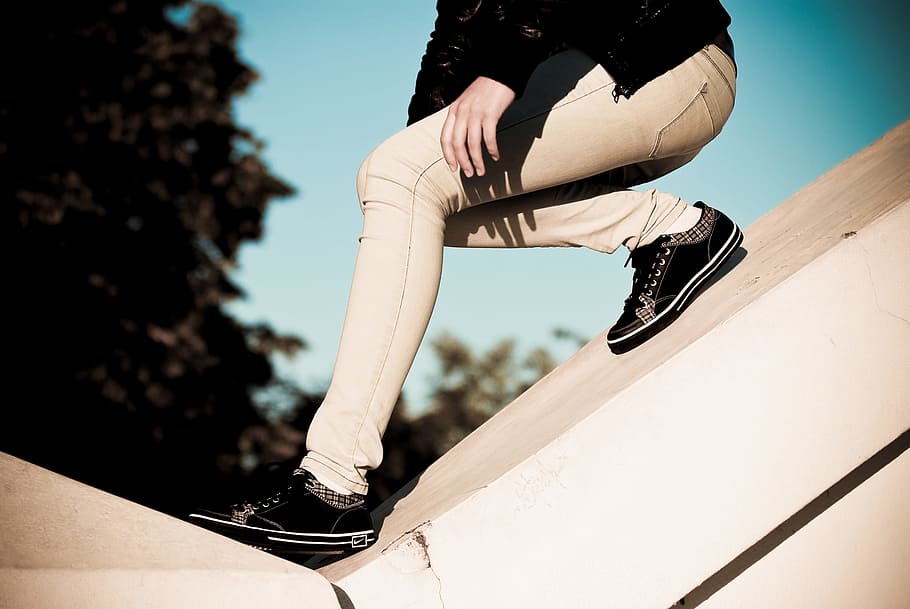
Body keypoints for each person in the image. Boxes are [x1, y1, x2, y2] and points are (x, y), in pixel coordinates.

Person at [189, 0, 743, 555]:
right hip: (616, 75)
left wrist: (500, 75)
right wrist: (421, 146)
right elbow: (457, 25)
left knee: (399, 176)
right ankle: (667, 227)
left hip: (663, 59)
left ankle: (331, 482)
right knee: (415, 189)